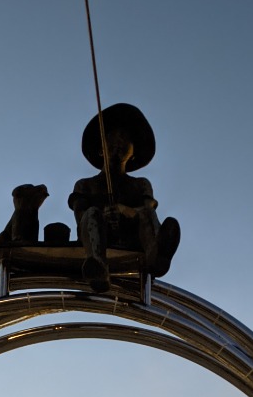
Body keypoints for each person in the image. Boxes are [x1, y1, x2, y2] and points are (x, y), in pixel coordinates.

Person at [68, 103, 180, 292]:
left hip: (133, 237)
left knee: (146, 214)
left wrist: (124, 211)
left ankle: (157, 254)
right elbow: (81, 216)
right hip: (96, 237)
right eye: (111, 139)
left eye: (125, 140)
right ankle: (98, 265)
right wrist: (103, 216)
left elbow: (148, 209)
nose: (118, 144)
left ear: (133, 153)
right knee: (92, 214)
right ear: (100, 149)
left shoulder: (141, 184)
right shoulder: (85, 184)